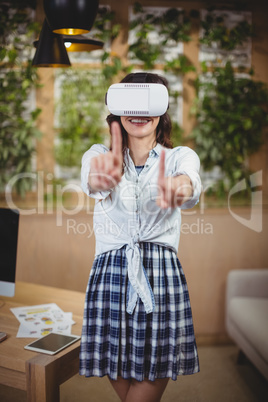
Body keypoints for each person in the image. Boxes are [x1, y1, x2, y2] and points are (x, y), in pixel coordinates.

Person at [79, 72, 201, 402]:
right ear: (116, 109)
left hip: (160, 280)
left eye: (148, 103)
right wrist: (101, 177)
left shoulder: (179, 157)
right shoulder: (97, 154)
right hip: (110, 279)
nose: (139, 111)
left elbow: (189, 184)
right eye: (130, 102)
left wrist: (179, 187)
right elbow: (93, 178)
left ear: (161, 111)